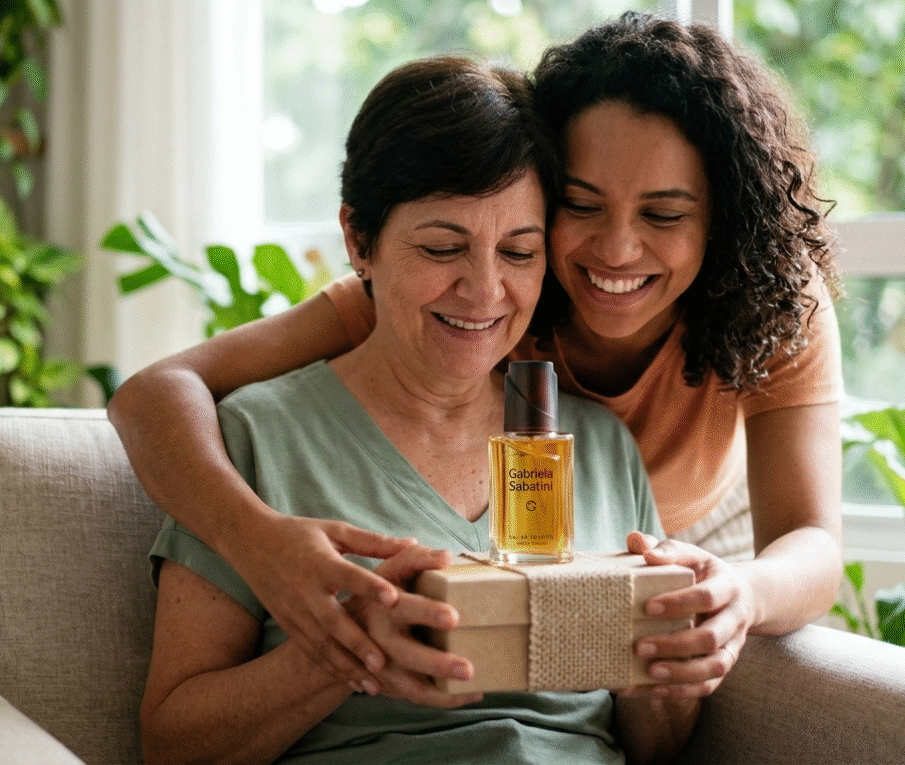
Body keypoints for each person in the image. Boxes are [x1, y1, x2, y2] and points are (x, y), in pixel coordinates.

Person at [110, 11, 843, 699]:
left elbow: (812, 541)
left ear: (722, 221)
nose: (617, 248)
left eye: (663, 214)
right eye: (581, 206)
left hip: (685, 527)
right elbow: (156, 391)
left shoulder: (766, 300)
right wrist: (259, 543)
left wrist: (741, 591)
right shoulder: (483, 301)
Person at [140, 55, 695, 765]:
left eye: (520, 251)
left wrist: (664, 657)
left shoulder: (597, 445)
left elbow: (661, 744)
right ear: (358, 240)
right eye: (442, 246)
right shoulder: (255, 438)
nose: (486, 289)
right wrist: (344, 653)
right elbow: (171, 745)